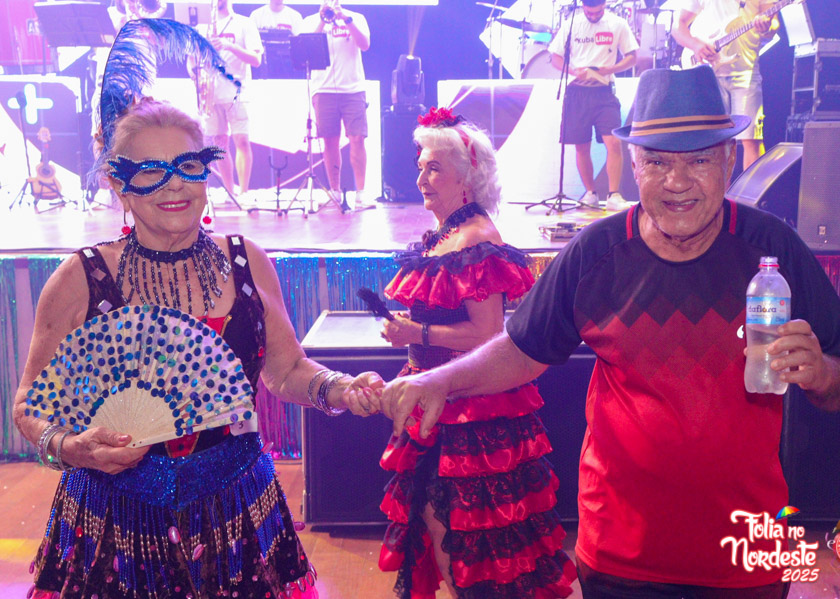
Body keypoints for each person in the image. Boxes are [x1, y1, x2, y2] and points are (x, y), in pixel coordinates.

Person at [378, 67, 840, 599]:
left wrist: (821, 373)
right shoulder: (596, 253)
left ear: (730, 159)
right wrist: (441, 381)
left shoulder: (773, 249)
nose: (677, 181)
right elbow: (522, 350)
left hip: (745, 555)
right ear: (632, 164)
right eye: (657, 161)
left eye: (699, 160)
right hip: (620, 557)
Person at [13, 98, 383, 599]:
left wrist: (340, 387)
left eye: (188, 166)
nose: (175, 185)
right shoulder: (80, 278)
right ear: (120, 186)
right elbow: (31, 406)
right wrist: (70, 447)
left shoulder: (247, 261)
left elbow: (286, 369)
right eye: (151, 171)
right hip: (115, 523)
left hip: (236, 514)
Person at [376, 107, 576, 599]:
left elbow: (488, 335)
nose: (421, 179)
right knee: (443, 529)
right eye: (421, 166)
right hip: (441, 404)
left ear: (467, 177)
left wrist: (417, 332)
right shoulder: (448, 235)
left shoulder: (476, 239)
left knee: (472, 543)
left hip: (471, 412)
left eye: (434, 169)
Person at [549, 0, 639, 211]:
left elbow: (632, 57)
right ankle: (590, 193)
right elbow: (555, 58)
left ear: (605, 6)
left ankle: (613, 194)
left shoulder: (617, 23)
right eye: (589, 12)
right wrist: (573, 71)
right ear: (582, 7)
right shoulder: (572, 23)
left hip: (604, 91)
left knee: (613, 142)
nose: (593, 16)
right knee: (581, 145)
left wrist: (610, 69)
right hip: (577, 91)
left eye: (597, 12)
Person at [672, 0, 780, 171]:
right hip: (708, 73)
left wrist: (766, 27)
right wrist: (696, 45)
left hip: (746, 71)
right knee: (712, 143)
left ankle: (751, 188)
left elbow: (773, 24)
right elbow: (678, 25)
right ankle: (714, 189)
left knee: (752, 139)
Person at [301, 0, 374, 211]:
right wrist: (322, 21)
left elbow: (365, 44)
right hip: (323, 89)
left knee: (357, 138)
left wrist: (346, 20)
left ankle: (361, 193)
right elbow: (306, 51)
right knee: (330, 141)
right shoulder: (310, 21)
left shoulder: (356, 17)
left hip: (353, 89)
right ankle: (335, 190)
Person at [201, 0, 263, 203]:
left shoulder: (244, 23)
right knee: (219, 144)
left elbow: (256, 59)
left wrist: (229, 46)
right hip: (212, 92)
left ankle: (244, 192)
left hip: (237, 91)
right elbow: (192, 58)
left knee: (242, 140)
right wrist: (196, 76)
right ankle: (230, 192)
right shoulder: (202, 25)